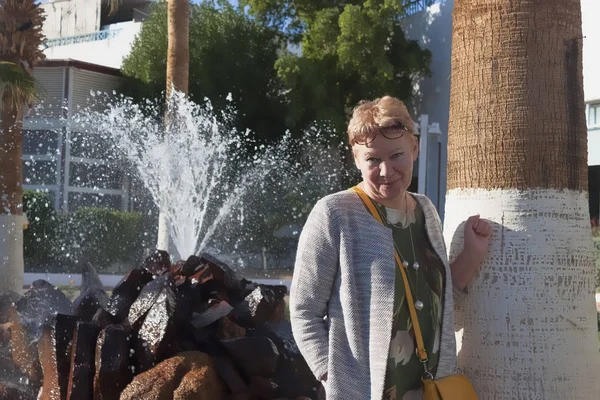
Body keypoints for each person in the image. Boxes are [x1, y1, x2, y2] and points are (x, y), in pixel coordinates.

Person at [290, 96, 492, 400]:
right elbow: (304, 309)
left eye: (396, 155)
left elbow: (437, 295)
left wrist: (472, 254)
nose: (386, 171)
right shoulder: (335, 213)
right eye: (373, 159)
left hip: (432, 388)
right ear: (357, 159)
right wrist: (330, 374)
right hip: (366, 391)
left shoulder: (426, 211)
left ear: (414, 148)